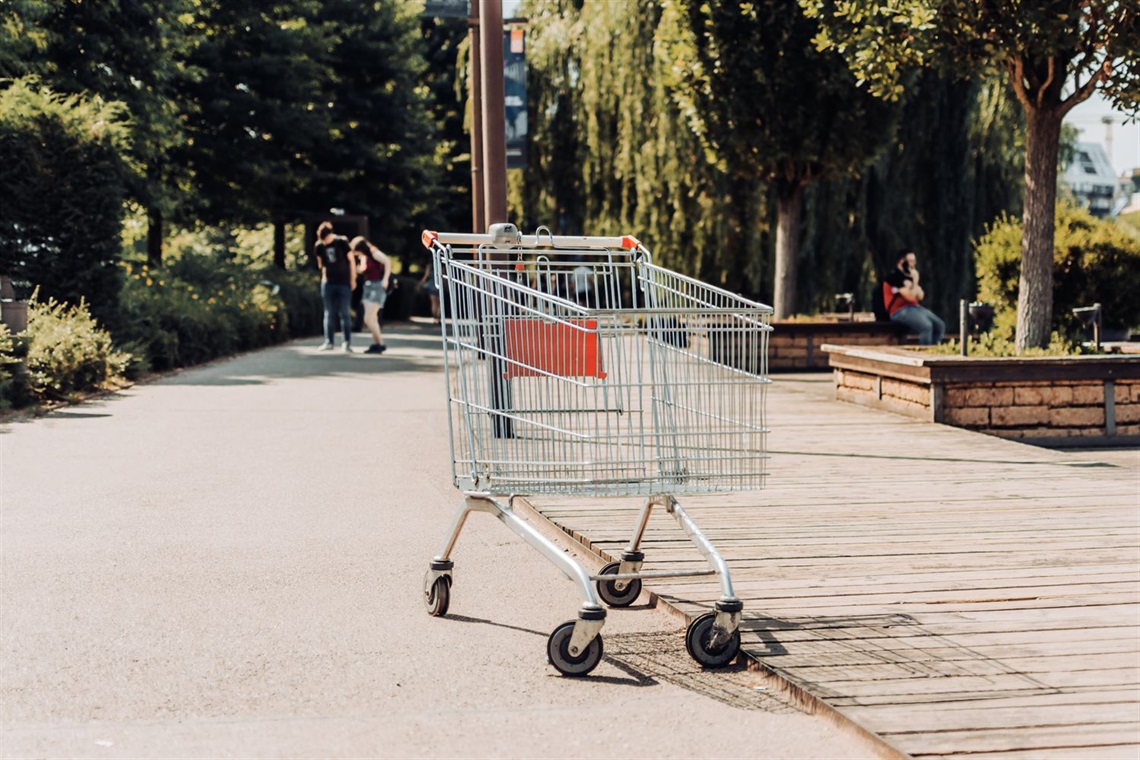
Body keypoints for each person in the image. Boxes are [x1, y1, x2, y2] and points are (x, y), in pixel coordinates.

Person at [883, 249, 946, 345]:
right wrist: (915, 281)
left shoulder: (908, 277)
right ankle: (925, 354)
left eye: (914, 261)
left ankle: (934, 349)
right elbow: (910, 296)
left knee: (940, 325)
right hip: (899, 311)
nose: (913, 264)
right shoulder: (894, 277)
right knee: (926, 326)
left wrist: (913, 285)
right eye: (911, 261)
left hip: (914, 308)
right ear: (902, 262)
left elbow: (920, 295)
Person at [313, 221, 356, 352]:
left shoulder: (342, 242)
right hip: (328, 283)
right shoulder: (319, 246)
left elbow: (352, 261)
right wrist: (324, 278)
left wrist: (353, 279)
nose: (325, 242)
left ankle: (346, 343)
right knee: (329, 313)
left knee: (344, 313)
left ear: (330, 235)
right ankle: (329, 342)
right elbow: (320, 264)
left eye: (326, 239)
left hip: (343, 282)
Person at [351, 236, 392, 354]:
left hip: (377, 286)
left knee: (368, 318)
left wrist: (385, 279)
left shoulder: (374, 253)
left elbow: (387, 261)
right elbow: (363, 270)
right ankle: (377, 343)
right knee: (372, 319)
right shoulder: (364, 257)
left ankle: (381, 343)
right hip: (368, 286)